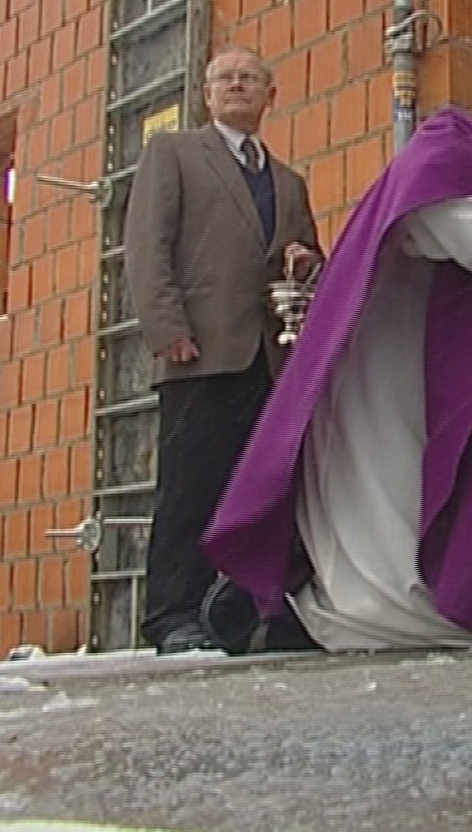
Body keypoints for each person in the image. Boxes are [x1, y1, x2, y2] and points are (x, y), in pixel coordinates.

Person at [200, 62, 472, 653]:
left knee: (466, 587)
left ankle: (309, 616)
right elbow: (432, 206)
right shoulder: (459, 143)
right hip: (385, 388)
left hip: (446, 407)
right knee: (383, 552)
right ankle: (295, 617)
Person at [122, 44, 322, 654]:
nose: (237, 85)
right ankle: (173, 616)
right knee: (189, 489)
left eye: (249, 78)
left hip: (270, 360)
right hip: (198, 351)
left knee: (263, 490)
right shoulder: (174, 154)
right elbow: (147, 244)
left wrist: (304, 260)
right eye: (224, 78)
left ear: (270, 96)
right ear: (207, 94)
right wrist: (166, 328)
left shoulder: (289, 182)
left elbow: (308, 258)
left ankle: (251, 616)